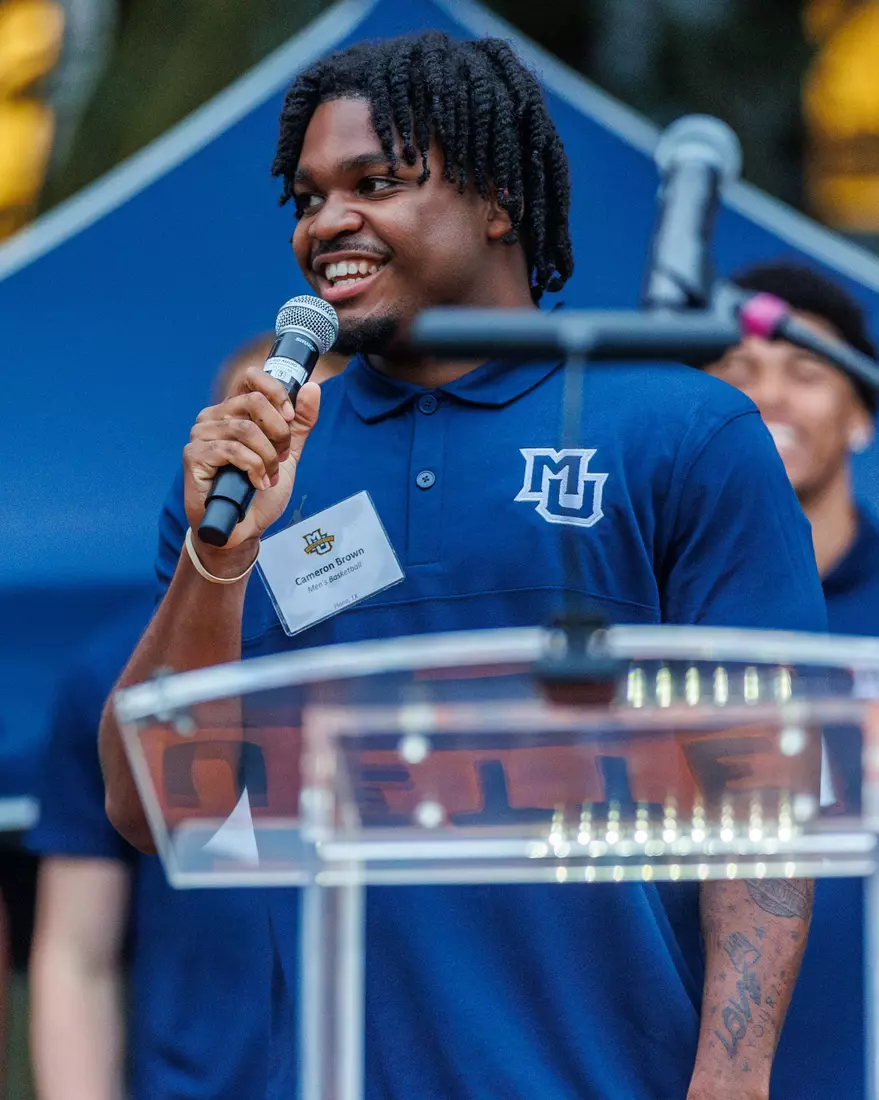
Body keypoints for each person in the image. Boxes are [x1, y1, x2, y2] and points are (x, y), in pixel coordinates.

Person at [100, 32, 827, 1100]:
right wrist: (225, 551)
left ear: (498, 199)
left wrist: (733, 1072)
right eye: (306, 197)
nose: (326, 223)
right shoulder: (259, 461)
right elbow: (158, 809)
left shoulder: (683, 426)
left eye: (374, 182)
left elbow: (764, 782)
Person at [29, 336, 346, 1100]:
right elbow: (75, 954)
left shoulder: (424, 634)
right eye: (257, 421)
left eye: (316, 424)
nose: (284, 446)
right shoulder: (122, 663)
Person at [706, 259, 879, 1100]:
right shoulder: (647, 605)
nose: (766, 397)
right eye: (735, 373)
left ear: (859, 418)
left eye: (806, 371)